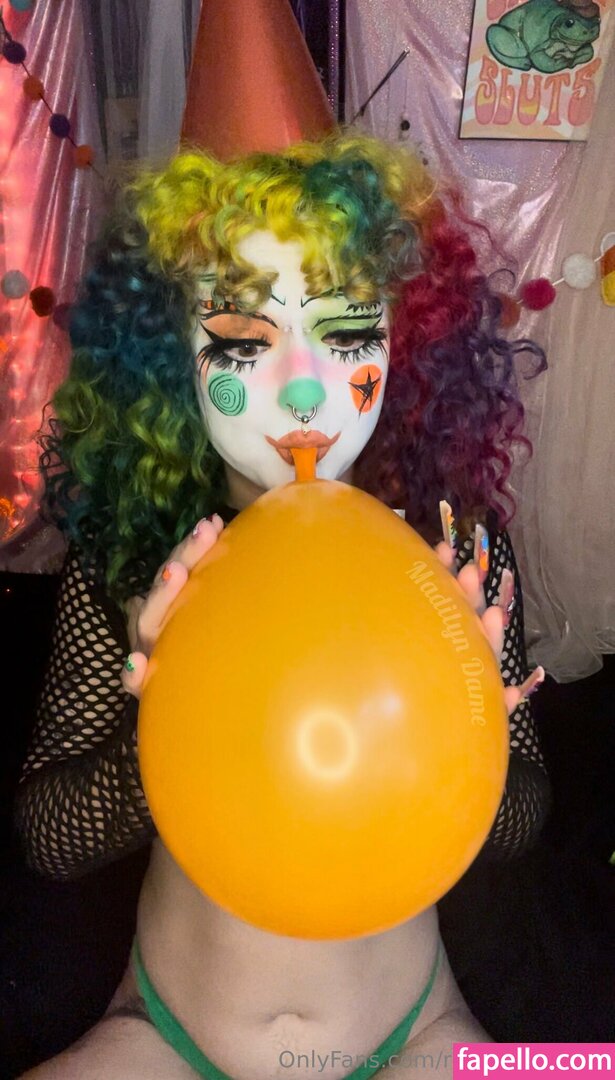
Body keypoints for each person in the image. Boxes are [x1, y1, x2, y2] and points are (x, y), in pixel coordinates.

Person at [15, 3, 549, 1076]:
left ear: (401, 336)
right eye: (245, 340)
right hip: (164, 1033)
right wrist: (160, 706)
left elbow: (523, 819)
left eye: (344, 329)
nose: (303, 389)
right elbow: (48, 838)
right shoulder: (134, 555)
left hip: (419, 1031)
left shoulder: (449, 547)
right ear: (170, 352)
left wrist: (480, 718)